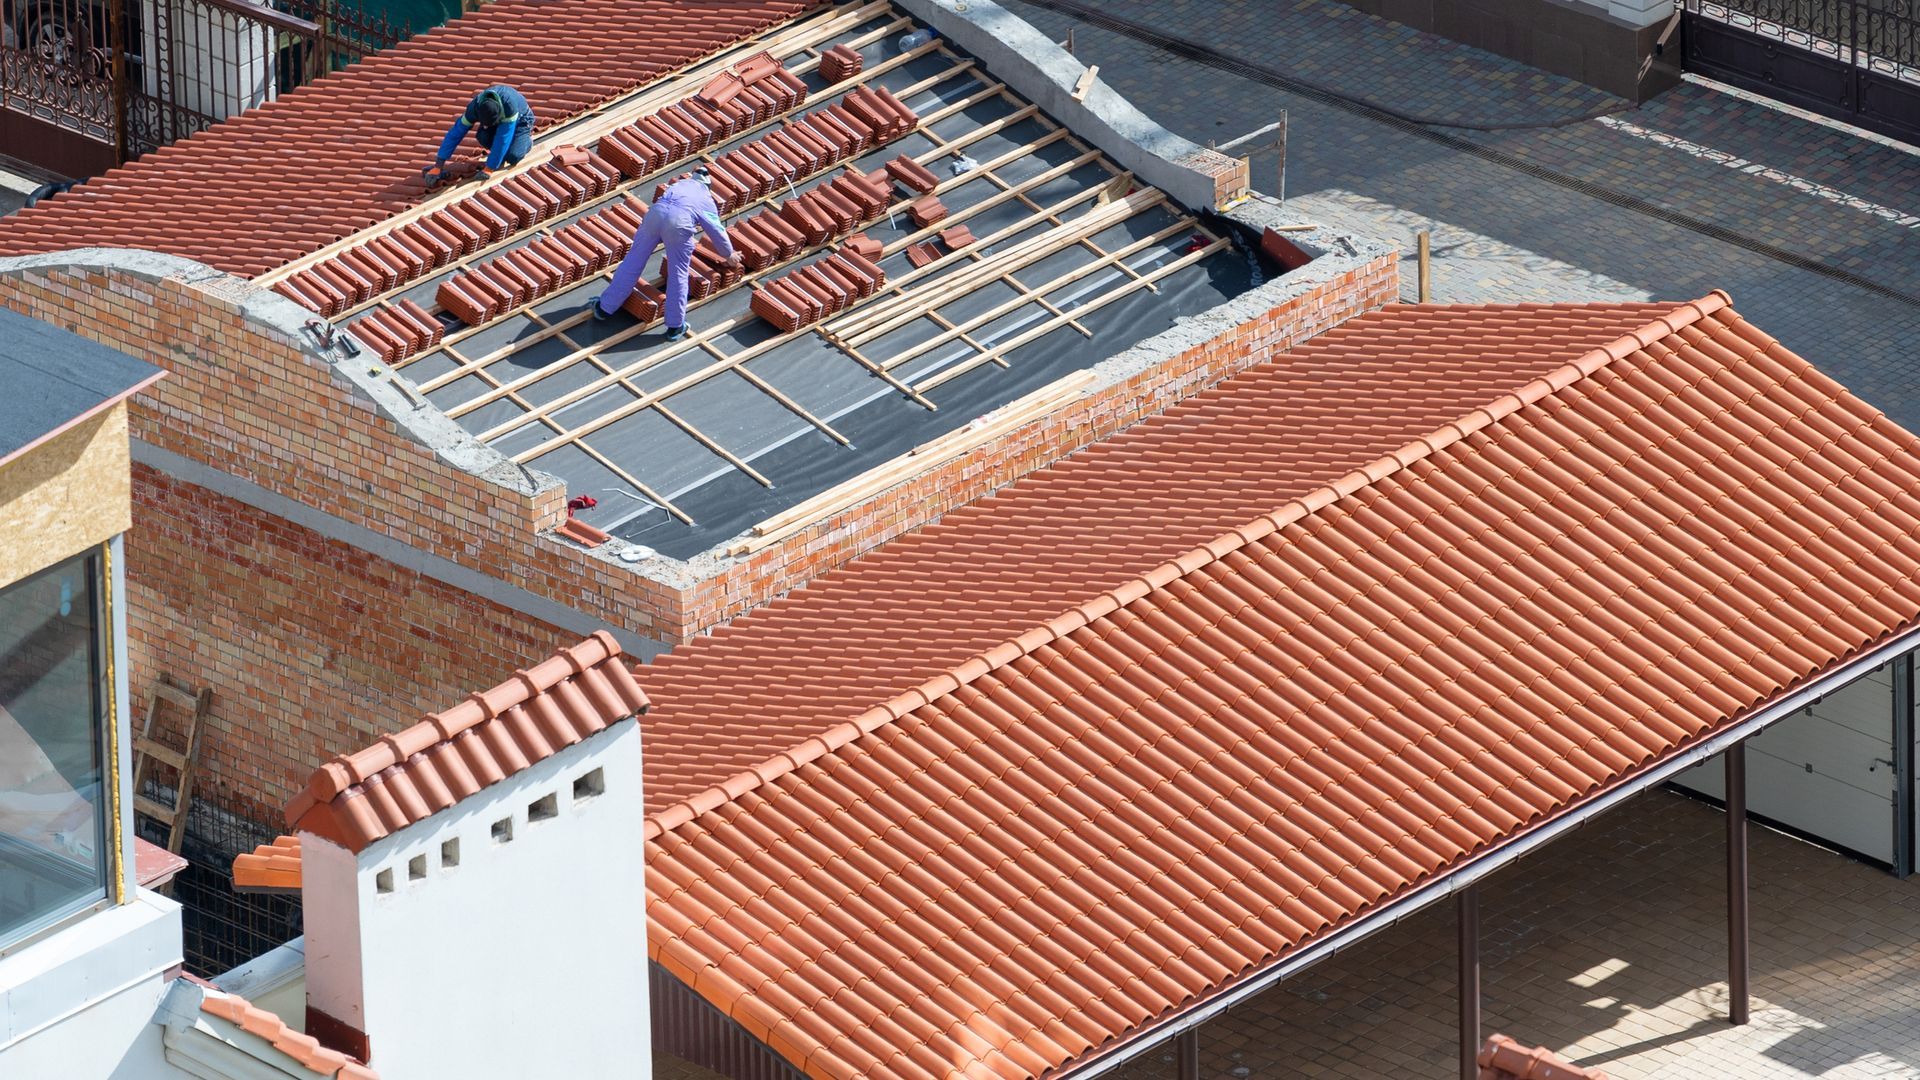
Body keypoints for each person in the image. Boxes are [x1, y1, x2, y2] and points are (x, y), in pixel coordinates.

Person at [593, 168, 743, 341]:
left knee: (633, 260)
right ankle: (675, 325)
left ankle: (604, 307)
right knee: (678, 272)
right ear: (708, 187)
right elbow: (716, 229)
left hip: (655, 215)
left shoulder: (680, 184)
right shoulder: (706, 199)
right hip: (678, 223)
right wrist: (728, 253)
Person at [428, 85, 535, 182]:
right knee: (482, 136)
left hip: (521, 122)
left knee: (513, 156)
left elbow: (503, 138)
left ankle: (527, 142)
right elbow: (455, 133)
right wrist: (438, 165)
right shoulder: (474, 108)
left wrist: (490, 168)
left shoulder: (509, 107)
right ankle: (499, 157)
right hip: (498, 122)